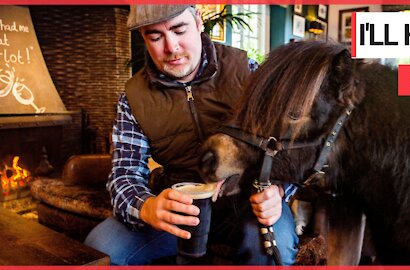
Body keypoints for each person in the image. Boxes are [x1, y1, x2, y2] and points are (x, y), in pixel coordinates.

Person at [84, 5, 298, 265]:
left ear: (198, 22)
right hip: (179, 205)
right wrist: (147, 207)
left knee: (271, 251)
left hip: (247, 202)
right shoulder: (133, 98)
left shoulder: (248, 70)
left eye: (179, 29)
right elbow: (123, 173)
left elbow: (291, 147)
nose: (171, 47)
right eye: (155, 36)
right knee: (101, 248)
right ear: (142, 36)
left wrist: (279, 190)